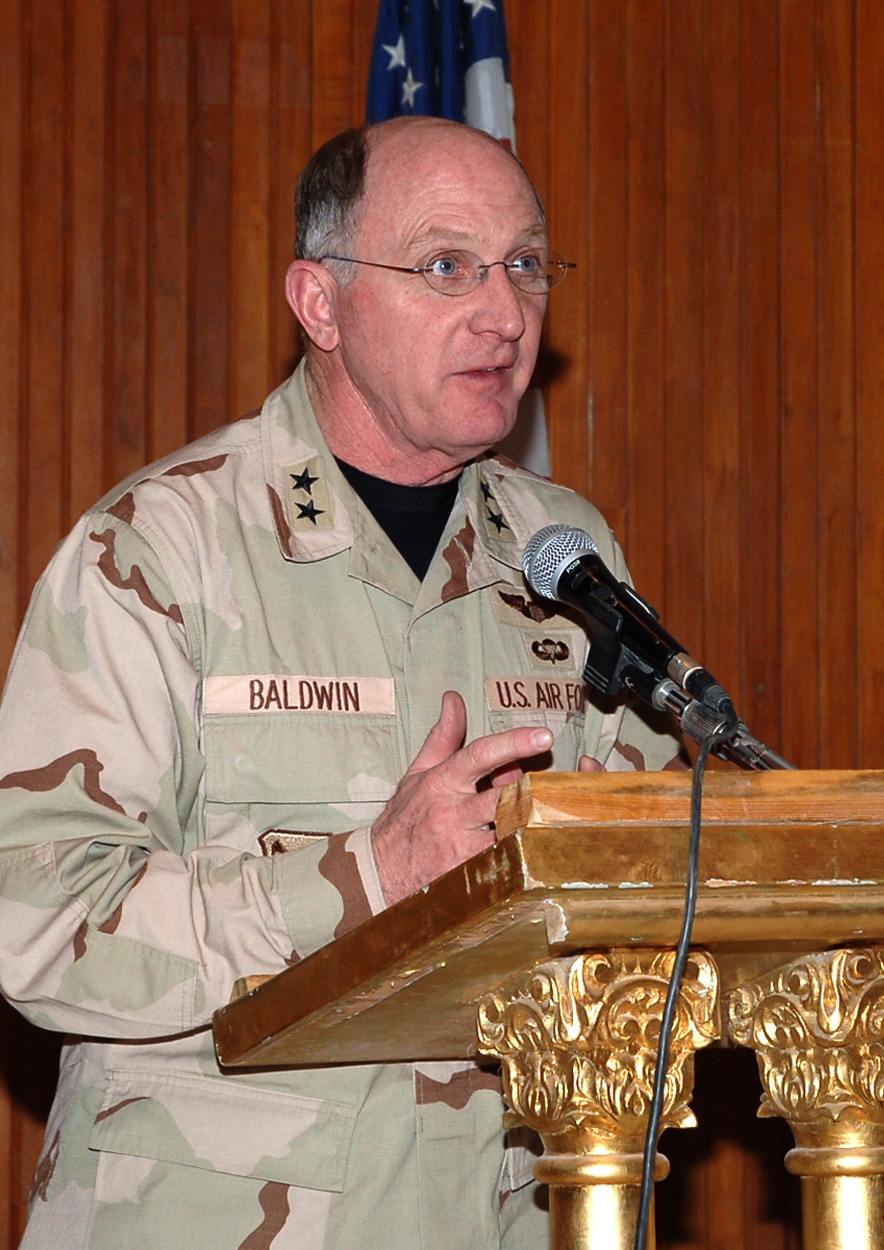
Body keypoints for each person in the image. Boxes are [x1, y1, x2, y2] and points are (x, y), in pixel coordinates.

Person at [0, 117, 683, 1250]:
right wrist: (363, 874)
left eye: (523, 264)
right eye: (445, 265)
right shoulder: (162, 549)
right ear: (318, 303)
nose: (504, 312)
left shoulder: (563, 552)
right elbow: (34, 912)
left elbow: (653, 864)